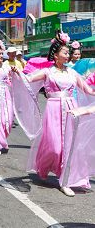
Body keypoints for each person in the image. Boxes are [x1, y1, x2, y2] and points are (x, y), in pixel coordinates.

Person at [12, 31, 95, 197]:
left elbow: (87, 90)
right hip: (53, 109)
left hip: (71, 109)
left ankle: (65, 181)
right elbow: (28, 80)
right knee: (55, 147)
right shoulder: (48, 73)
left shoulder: (72, 73)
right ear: (56, 55)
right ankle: (44, 166)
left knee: (70, 146)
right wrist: (18, 72)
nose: (68, 55)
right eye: (65, 52)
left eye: (68, 52)